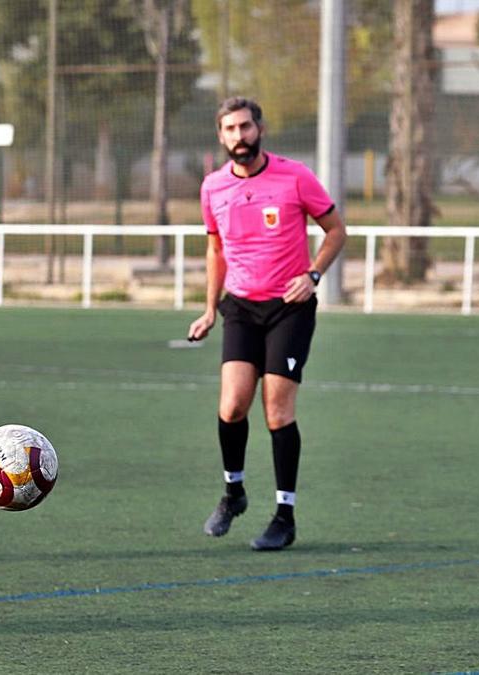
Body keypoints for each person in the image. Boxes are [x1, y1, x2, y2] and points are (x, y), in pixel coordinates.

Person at [189, 97, 348, 550]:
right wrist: (208, 308)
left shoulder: (294, 176)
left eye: (245, 126)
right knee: (232, 405)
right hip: (240, 306)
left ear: (259, 129)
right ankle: (233, 492)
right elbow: (215, 250)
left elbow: (336, 230)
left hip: (289, 307)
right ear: (221, 137)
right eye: (230, 129)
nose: (239, 136)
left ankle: (284, 515)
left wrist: (313, 275)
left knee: (277, 407)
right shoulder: (213, 188)